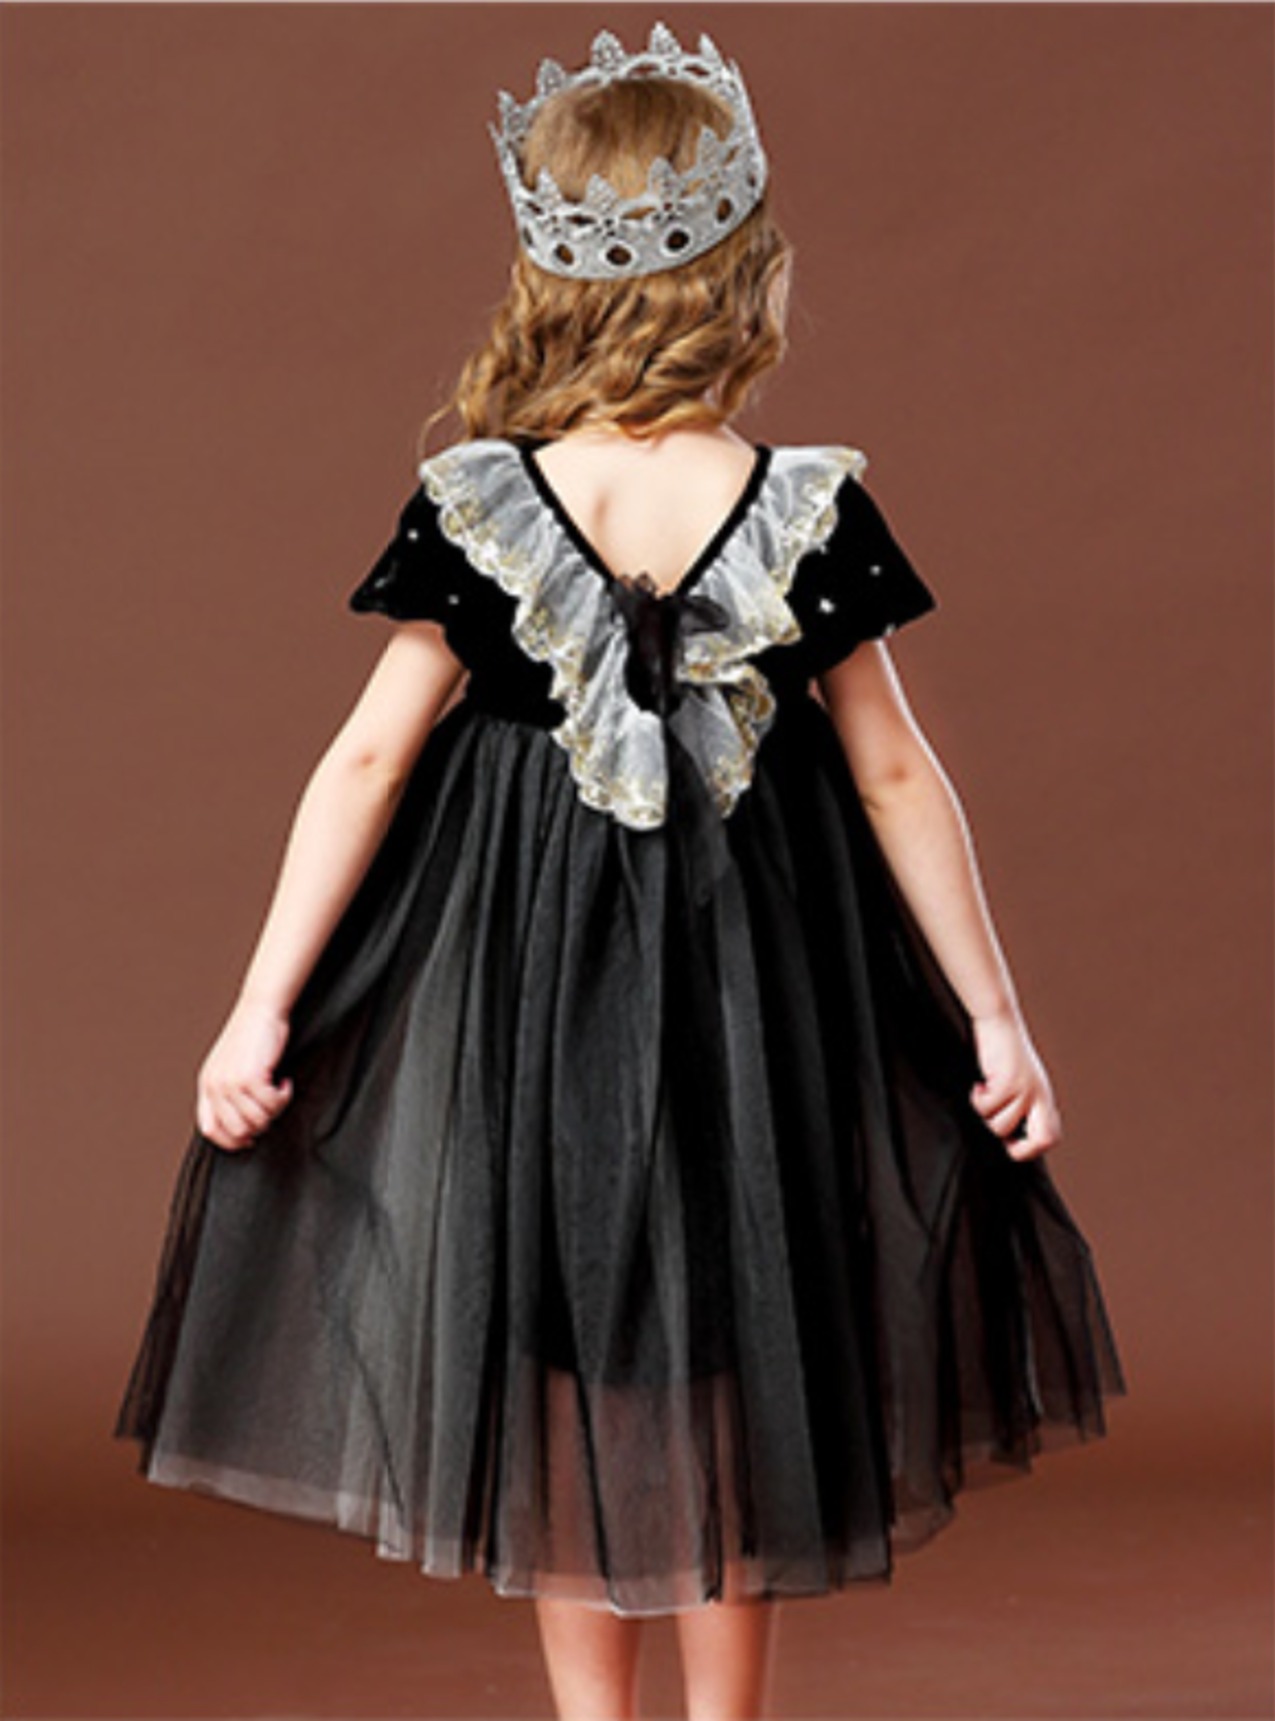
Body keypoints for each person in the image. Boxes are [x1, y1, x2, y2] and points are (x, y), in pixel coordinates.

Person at [114, 21, 1127, 1720]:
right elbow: (894, 772)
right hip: (759, 997)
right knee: (742, 1362)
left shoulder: (485, 505)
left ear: (551, 278)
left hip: (536, 1004)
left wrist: (259, 1006)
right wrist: (993, 1018)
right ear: (741, 276)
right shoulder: (798, 508)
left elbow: (366, 760)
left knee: (570, 1373)